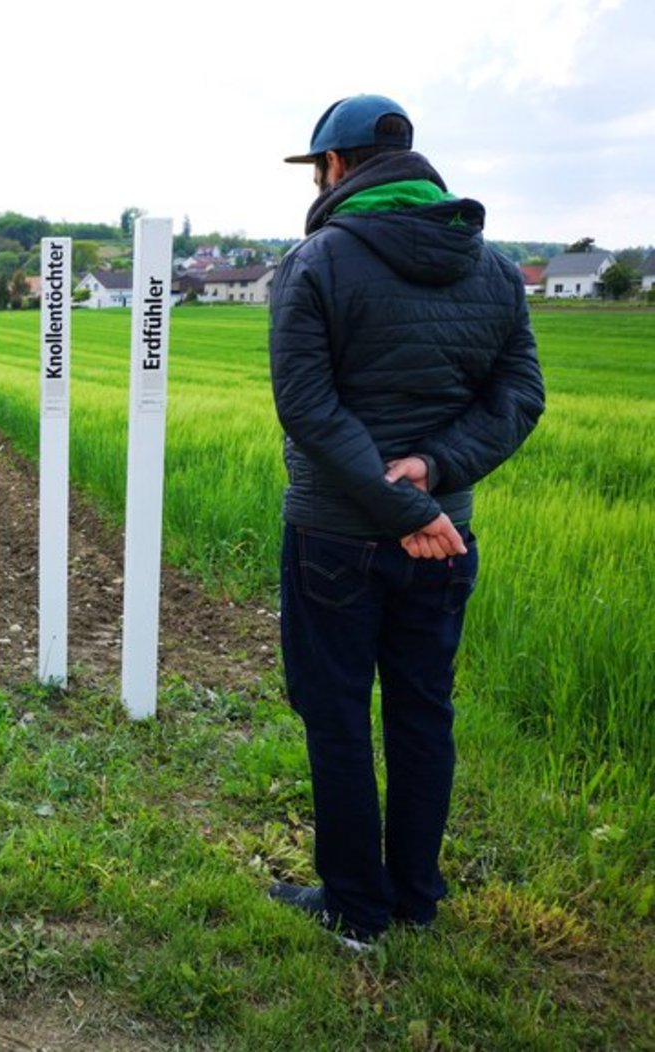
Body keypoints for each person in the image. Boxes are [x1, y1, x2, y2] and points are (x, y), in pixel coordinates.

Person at [266, 94, 545, 948]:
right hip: (444, 543)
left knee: (340, 715)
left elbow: (307, 410)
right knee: (424, 712)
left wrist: (401, 505)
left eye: (318, 168)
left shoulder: (313, 264)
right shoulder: (494, 268)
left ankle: (357, 909)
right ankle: (416, 896)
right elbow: (519, 397)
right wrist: (434, 479)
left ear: (337, 168)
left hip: (335, 541)